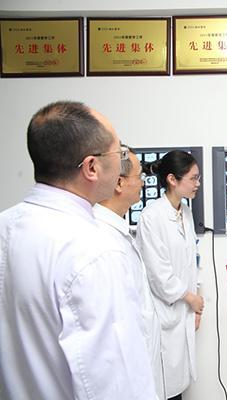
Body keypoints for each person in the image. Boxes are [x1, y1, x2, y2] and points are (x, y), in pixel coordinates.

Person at [0, 101, 156, 399]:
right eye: (119, 154)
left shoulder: (5, 225)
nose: (122, 164)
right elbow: (114, 383)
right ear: (92, 167)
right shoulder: (95, 250)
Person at [93, 147, 166, 399]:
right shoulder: (102, 241)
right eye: (139, 176)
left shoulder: (118, 232)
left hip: (139, 372)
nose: (143, 183)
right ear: (119, 183)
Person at [136, 150, 204, 400]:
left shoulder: (185, 212)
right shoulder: (151, 217)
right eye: (193, 178)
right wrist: (191, 299)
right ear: (172, 179)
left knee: (179, 385)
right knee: (163, 387)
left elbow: (192, 262)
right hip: (164, 313)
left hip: (184, 309)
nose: (198, 184)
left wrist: (196, 307)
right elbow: (159, 275)